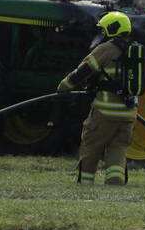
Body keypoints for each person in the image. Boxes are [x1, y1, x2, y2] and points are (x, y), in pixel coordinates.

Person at [58, 11, 138, 185]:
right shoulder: (135, 50)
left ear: (111, 29)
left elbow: (83, 71)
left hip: (105, 111)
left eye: (104, 30)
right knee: (118, 146)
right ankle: (115, 179)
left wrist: (64, 86)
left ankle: (85, 181)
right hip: (129, 113)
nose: (102, 34)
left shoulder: (105, 50)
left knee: (92, 143)